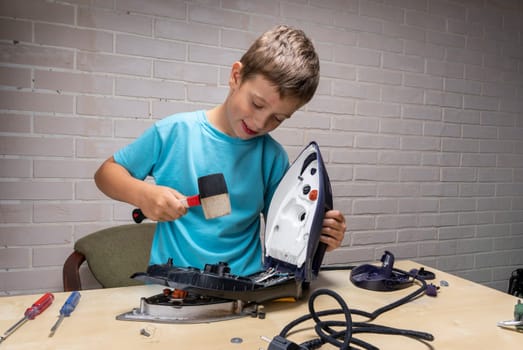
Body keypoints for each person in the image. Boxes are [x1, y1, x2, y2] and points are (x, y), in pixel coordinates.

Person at [94, 25, 346, 276]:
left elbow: (282, 233)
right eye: (257, 104)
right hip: (171, 290)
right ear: (236, 76)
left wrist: (318, 235)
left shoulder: (273, 158)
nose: (260, 123)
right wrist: (142, 194)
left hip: (246, 289)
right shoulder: (174, 132)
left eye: (278, 118)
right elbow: (106, 173)